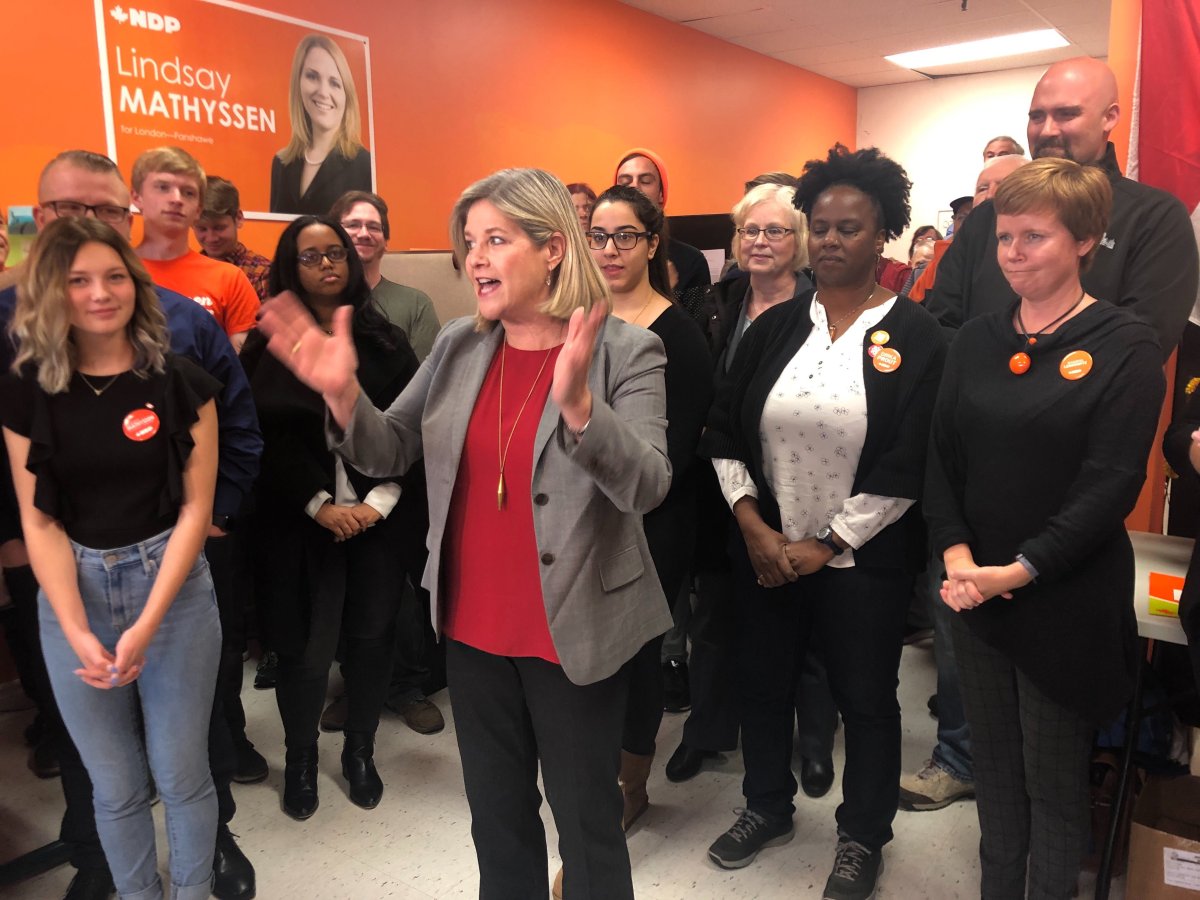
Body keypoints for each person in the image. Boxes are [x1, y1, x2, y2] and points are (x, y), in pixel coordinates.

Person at [255, 167, 672, 899]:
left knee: (587, 823)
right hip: (474, 630)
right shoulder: (457, 346)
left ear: (551, 249)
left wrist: (578, 406)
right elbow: (389, 450)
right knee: (497, 818)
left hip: (571, 628)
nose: (474, 257)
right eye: (469, 242)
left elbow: (648, 485)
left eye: (496, 240)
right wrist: (343, 394)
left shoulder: (627, 352)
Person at [0, 149, 261, 900]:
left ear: (136, 279)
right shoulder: (29, 389)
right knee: (111, 786)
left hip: (170, 591)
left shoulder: (181, 377)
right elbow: (38, 519)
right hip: (70, 593)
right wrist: (78, 630)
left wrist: (146, 622)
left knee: (183, 775)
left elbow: (195, 506)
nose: (98, 292)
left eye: (114, 275)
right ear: (55, 283)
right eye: (78, 278)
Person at [701, 145, 945, 900]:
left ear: (884, 237)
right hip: (767, 552)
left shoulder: (918, 336)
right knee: (764, 686)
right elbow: (722, 428)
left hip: (862, 564)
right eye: (822, 226)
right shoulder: (776, 327)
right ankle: (766, 806)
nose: (833, 240)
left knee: (867, 701)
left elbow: (910, 459)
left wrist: (828, 543)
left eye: (851, 227)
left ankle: (862, 834)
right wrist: (753, 527)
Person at [925, 157, 1165, 898]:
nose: (1014, 254)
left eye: (1035, 237)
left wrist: (1019, 570)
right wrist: (960, 556)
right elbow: (942, 461)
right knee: (996, 781)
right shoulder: (974, 341)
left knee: (1053, 789)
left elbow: (1110, 486)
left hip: (1062, 599)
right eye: (1004, 238)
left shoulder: (1126, 346)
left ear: (1087, 239)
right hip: (975, 596)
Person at [241, 215, 419, 819]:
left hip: (379, 520)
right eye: (311, 255)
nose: (327, 264)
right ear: (290, 267)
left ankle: (360, 753)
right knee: (303, 653)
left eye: (336, 252)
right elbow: (258, 439)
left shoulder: (387, 340)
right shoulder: (267, 346)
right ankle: (302, 760)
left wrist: (376, 504)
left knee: (372, 640)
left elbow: (414, 430)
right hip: (299, 526)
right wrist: (319, 505)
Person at [666, 181, 824, 785]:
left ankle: (809, 741)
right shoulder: (718, 301)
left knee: (801, 622)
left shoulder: (820, 310)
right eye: (750, 230)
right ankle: (707, 730)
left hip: (797, 490)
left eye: (775, 230)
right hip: (719, 485)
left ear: (800, 241)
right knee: (714, 617)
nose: (760, 241)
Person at [926, 56, 1198, 360]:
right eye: (1037, 116)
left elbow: (1139, 348)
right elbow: (941, 323)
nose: (1047, 131)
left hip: (1087, 401)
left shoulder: (1154, 218)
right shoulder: (987, 216)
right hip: (970, 397)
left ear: (1109, 117)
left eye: (1067, 114)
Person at [586, 183, 711, 828]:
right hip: (584, 519)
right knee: (593, 658)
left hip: (653, 522)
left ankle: (630, 785)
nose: (610, 250)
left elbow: (679, 448)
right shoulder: (575, 320)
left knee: (637, 660)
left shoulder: (677, 334)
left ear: (652, 243)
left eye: (625, 236)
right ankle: (592, 775)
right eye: (599, 236)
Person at [131, 147, 261, 352]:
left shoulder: (229, 278)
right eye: (163, 187)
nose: (176, 199)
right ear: (136, 197)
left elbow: (241, 368)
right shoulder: (118, 271)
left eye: (188, 192)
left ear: (198, 208)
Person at [330, 190, 441, 361]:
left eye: (373, 227)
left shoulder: (416, 304)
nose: (364, 234)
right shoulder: (316, 301)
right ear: (332, 236)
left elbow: (427, 380)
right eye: (353, 225)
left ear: (386, 241)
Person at [270, 34, 372, 215]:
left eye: (334, 83)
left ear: (346, 94)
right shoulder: (281, 164)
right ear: (298, 82)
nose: (323, 92)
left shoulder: (364, 166)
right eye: (312, 76)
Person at [615, 149, 712, 304]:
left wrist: (666, 293)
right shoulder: (601, 258)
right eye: (625, 182)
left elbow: (696, 326)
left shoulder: (691, 261)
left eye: (645, 181)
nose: (634, 187)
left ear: (661, 193)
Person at [193, 175, 273, 301]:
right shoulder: (189, 270)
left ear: (239, 218)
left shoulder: (263, 273)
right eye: (202, 229)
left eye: (219, 228)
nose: (211, 238)